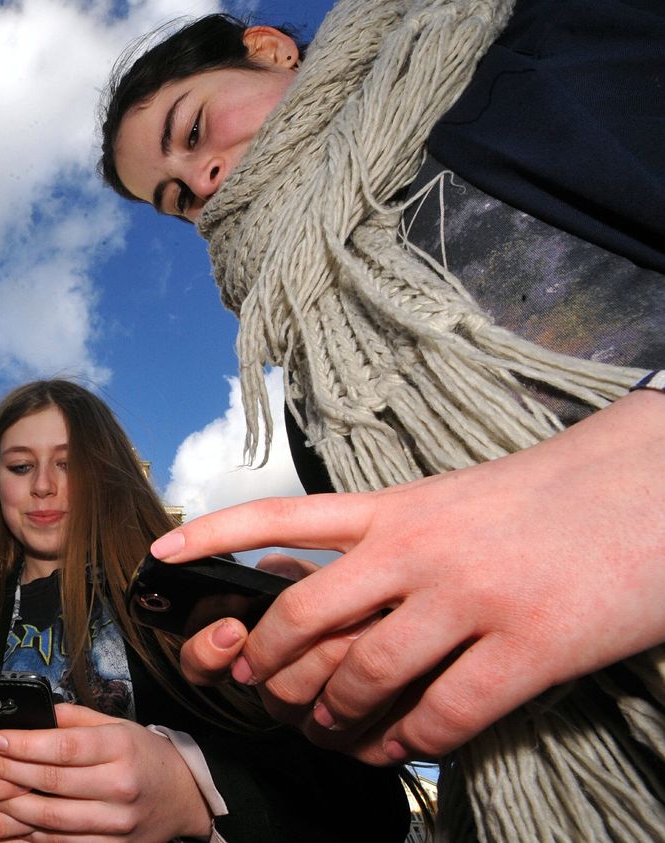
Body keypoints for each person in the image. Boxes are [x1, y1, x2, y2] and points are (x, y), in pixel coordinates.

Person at [98, 0, 665, 838]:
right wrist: (366, 637)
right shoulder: (313, 380)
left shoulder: (534, 47)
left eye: (195, 130)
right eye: (175, 195)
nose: (203, 180)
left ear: (268, 51)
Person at [0, 380, 409, 841]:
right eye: (21, 466)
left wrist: (193, 793)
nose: (42, 484)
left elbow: (366, 802)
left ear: (109, 474)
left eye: (68, 464)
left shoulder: (199, 596)